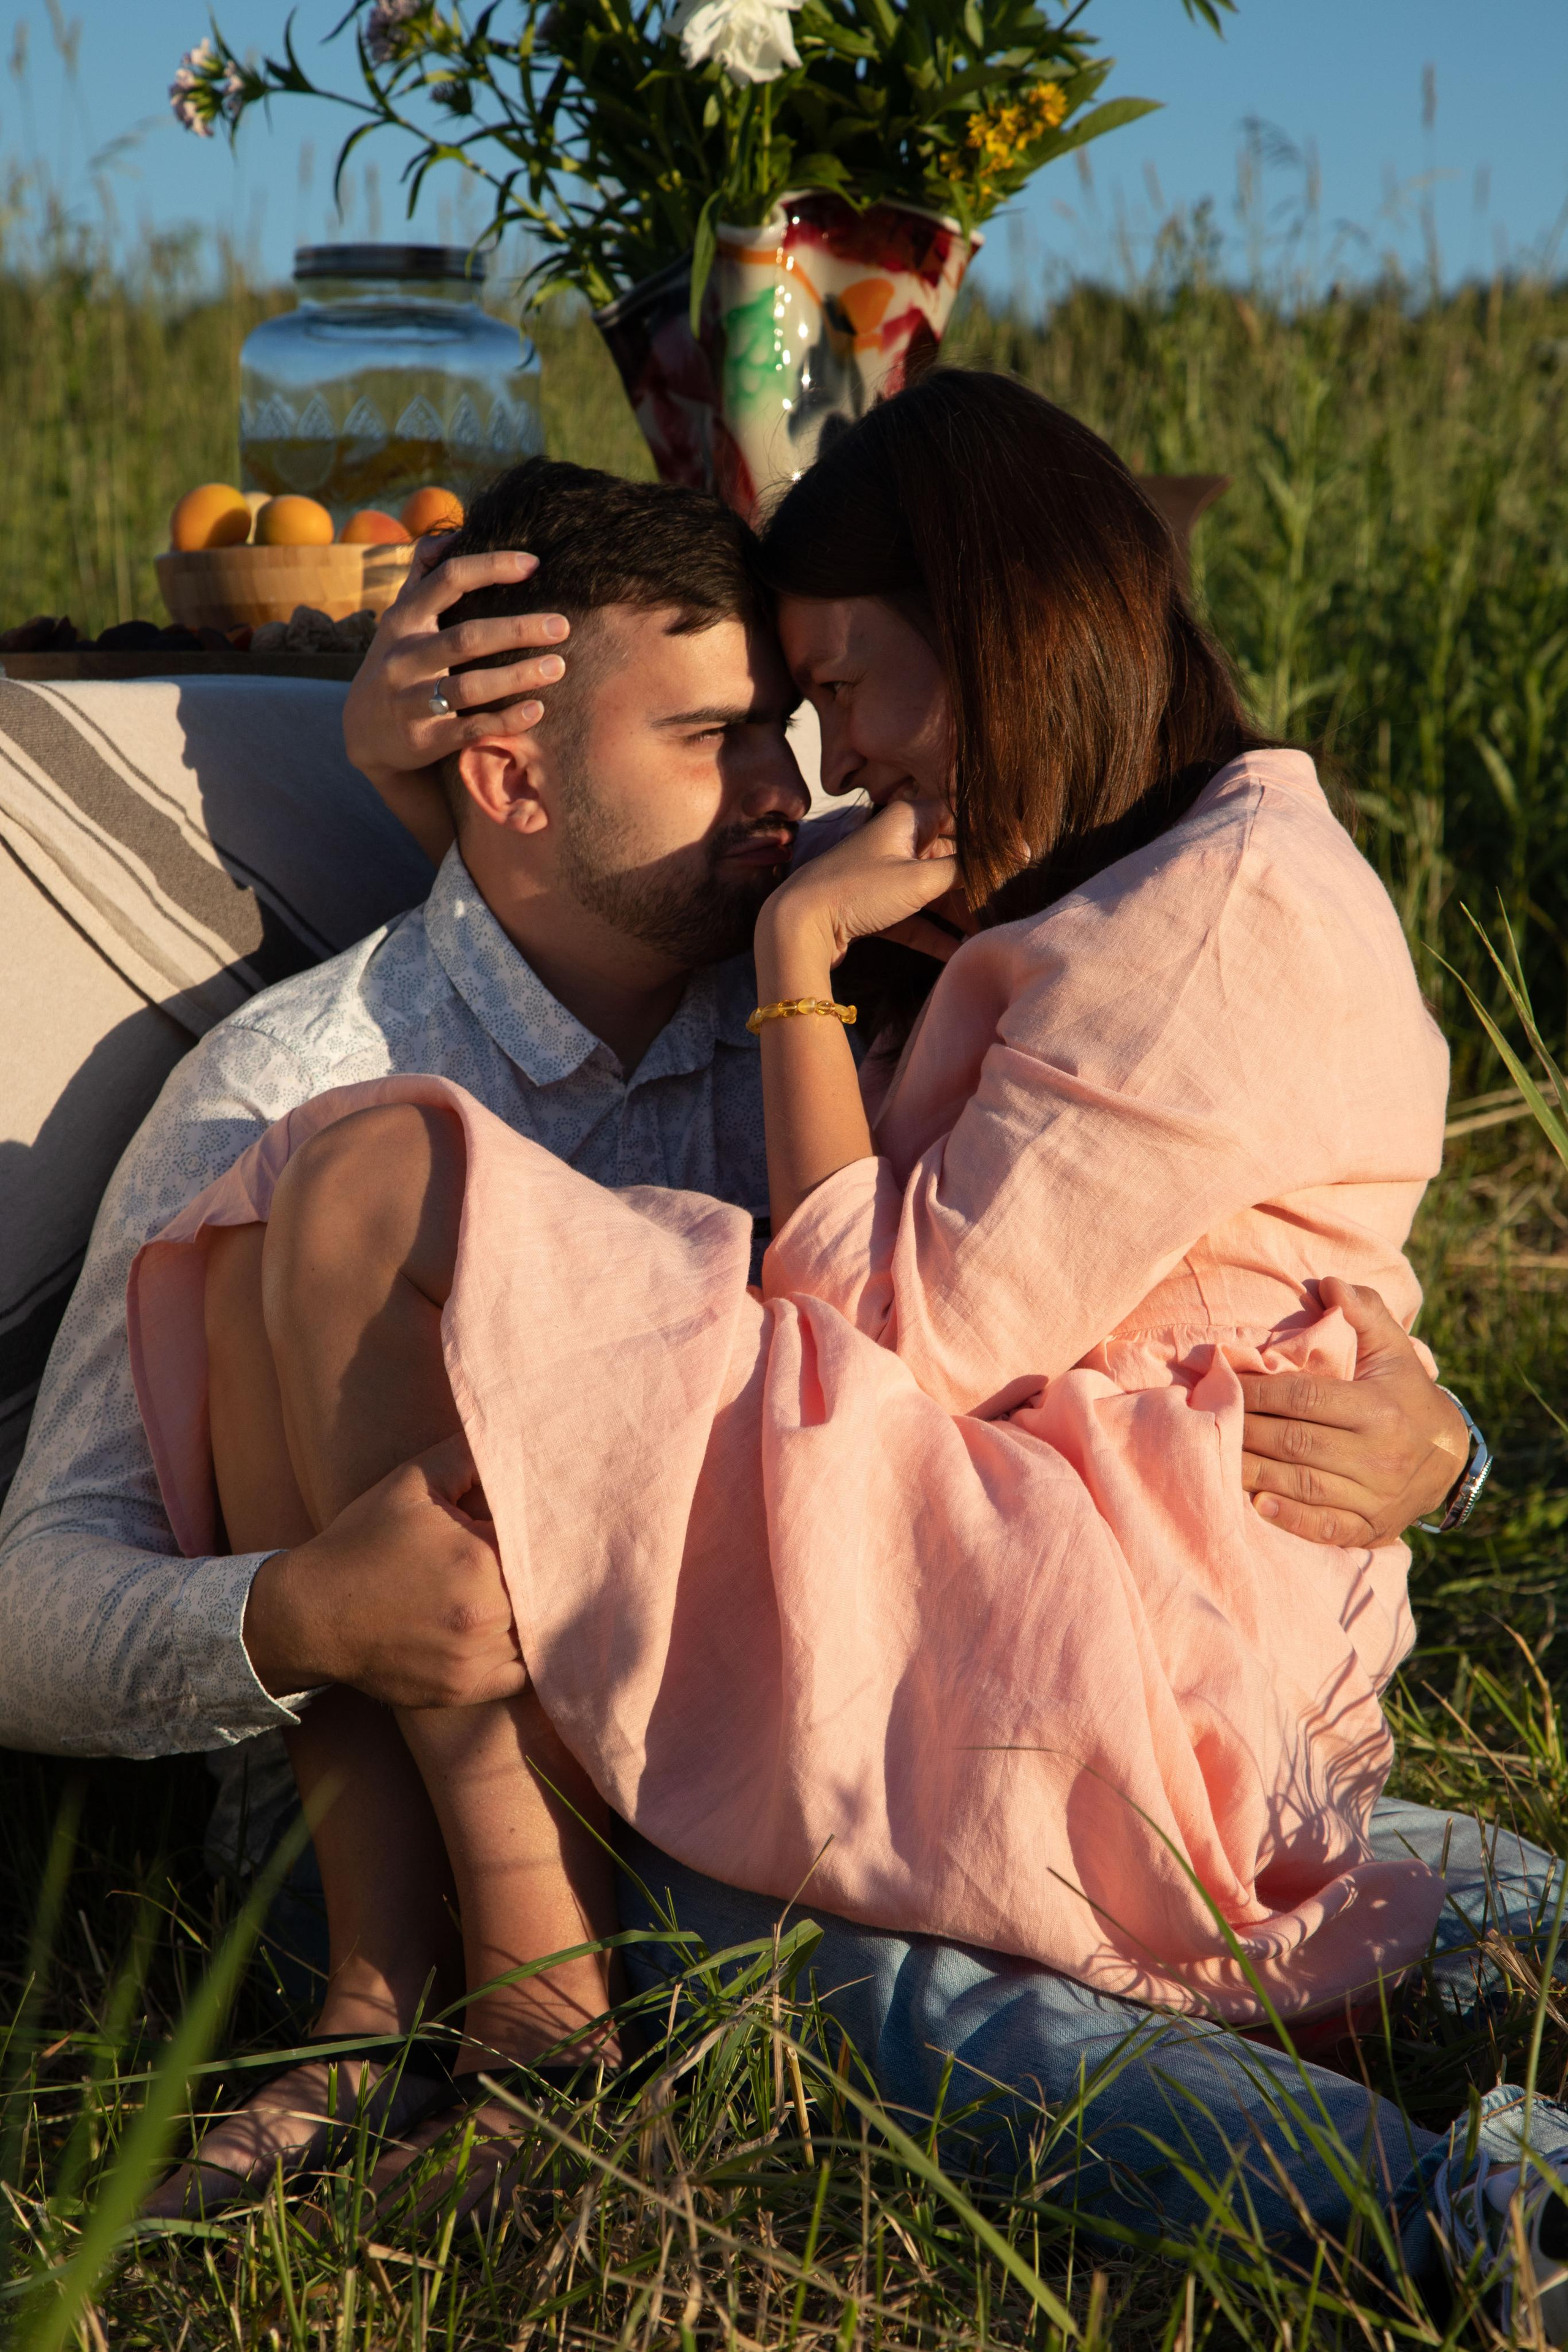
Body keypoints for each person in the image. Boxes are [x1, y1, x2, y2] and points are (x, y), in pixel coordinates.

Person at [119, 388, 1550, 2319]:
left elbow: (897, 1328)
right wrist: (296, 1613)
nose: (818, 771)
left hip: (1080, 1634)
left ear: (1002, 633)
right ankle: (442, 1992)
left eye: (839, 695)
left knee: (785, 1956)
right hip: (1004, 1610)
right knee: (309, 1202)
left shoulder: (1159, 920)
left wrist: (795, 963)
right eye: (749, 730)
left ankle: (1473, 2216)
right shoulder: (1070, 891)